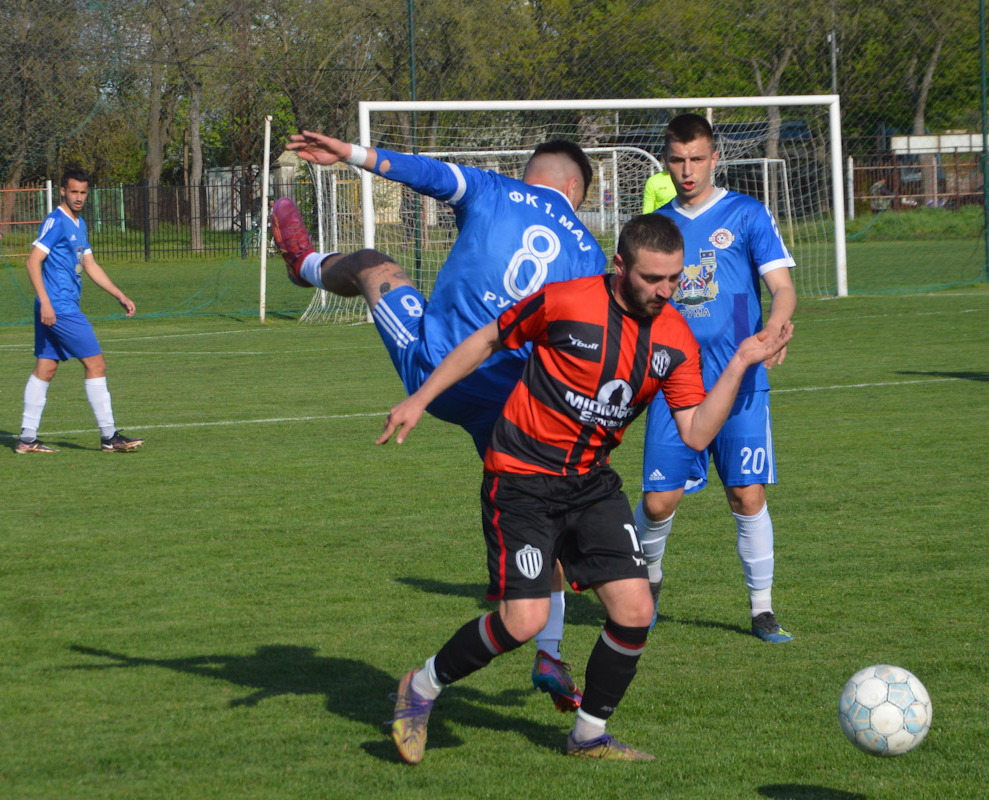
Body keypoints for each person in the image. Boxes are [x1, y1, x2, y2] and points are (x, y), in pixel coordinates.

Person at [378, 214, 794, 763]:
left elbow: (695, 430)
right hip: (521, 477)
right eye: (652, 279)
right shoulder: (564, 301)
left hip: (591, 484)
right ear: (620, 265)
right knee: (521, 622)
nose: (665, 292)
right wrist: (420, 398)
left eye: (673, 279)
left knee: (635, 610)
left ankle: (587, 735)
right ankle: (422, 686)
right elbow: (486, 340)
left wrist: (740, 362)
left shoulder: (675, 338)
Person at [274, 131, 607, 711]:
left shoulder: (491, 188)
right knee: (542, 516)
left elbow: (419, 171)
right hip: (517, 407)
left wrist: (350, 154)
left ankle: (302, 264)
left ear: (535, 173)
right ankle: (550, 650)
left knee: (374, 266)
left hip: (442, 371)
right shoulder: (591, 258)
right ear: (574, 189)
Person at [633, 113, 798, 642]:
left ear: (714, 158)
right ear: (666, 160)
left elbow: (783, 287)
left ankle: (762, 608)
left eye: (697, 159)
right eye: (677, 160)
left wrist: (774, 329)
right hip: (674, 378)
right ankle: (648, 585)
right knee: (660, 501)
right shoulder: (658, 225)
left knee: (746, 494)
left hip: (740, 376)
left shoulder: (747, 214)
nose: (687, 170)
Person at [15, 168, 143, 455]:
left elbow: (90, 265)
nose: (79, 197)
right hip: (59, 307)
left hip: (59, 305)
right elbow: (32, 262)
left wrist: (119, 294)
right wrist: (46, 302)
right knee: (96, 365)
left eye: (83, 192)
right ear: (62, 191)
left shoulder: (79, 223)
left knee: (46, 369)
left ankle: (26, 439)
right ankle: (110, 436)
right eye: (73, 191)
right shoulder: (56, 221)